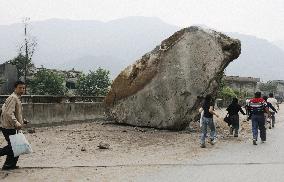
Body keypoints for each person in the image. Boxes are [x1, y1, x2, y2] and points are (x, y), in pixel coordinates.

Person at [0, 81, 27, 170]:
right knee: (14, 146)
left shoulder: (16, 98)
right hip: (9, 126)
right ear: (15, 88)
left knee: (17, 146)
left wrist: (22, 121)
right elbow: (8, 113)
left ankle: (9, 165)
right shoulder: (13, 97)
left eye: (23, 88)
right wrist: (16, 122)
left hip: (12, 126)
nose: (22, 89)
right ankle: (8, 164)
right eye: (20, 88)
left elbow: (14, 112)